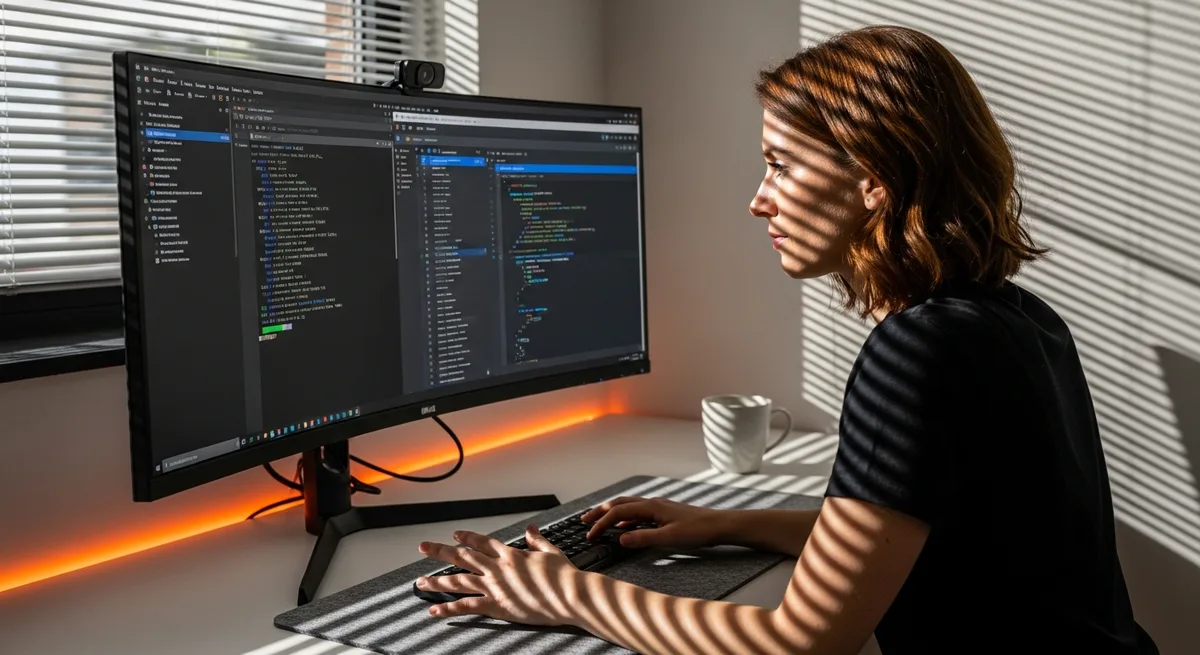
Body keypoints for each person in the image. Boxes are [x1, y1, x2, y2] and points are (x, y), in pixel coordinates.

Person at [414, 25, 1158, 654]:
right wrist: (725, 523)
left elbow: (801, 641)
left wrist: (563, 591)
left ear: (873, 181)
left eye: (780, 165)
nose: (758, 199)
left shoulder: (917, 351)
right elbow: (923, 530)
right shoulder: (1013, 316)